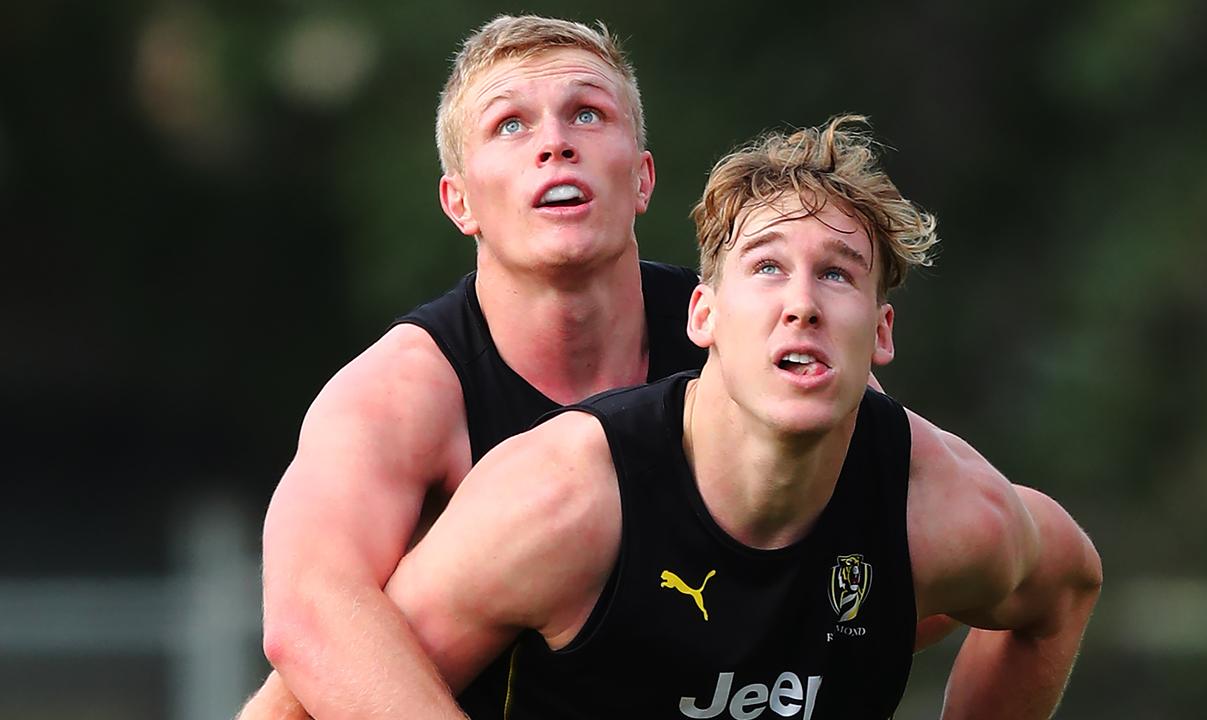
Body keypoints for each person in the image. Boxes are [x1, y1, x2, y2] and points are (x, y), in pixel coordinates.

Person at [377, 115, 1104, 719]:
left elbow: (1066, 588)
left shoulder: (939, 510)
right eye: (765, 267)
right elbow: (310, 703)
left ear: (881, 333)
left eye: (837, 273)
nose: (802, 303)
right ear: (704, 315)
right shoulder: (561, 502)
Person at [239, 15, 706, 719]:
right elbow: (308, 620)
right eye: (510, 126)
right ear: (460, 202)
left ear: (642, 178)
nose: (555, 143)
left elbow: (917, 513)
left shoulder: (739, 341)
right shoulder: (400, 392)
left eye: (587, 113)